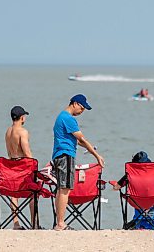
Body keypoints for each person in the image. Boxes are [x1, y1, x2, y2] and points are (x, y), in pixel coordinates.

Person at [52, 94, 105, 231]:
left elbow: (75, 141)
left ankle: (58, 222)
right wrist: (96, 155)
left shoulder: (61, 117)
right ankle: (60, 223)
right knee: (65, 189)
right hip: (66, 155)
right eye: (82, 108)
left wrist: (89, 147)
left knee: (60, 188)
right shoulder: (68, 118)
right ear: (75, 104)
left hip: (59, 155)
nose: (82, 112)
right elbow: (81, 139)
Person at [5, 105, 34, 230]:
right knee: (33, 192)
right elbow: (27, 153)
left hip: (11, 167)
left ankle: (16, 223)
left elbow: (9, 152)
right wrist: (34, 165)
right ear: (22, 118)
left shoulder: (8, 131)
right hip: (22, 167)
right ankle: (34, 223)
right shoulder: (22, 132)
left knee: (14, 194)